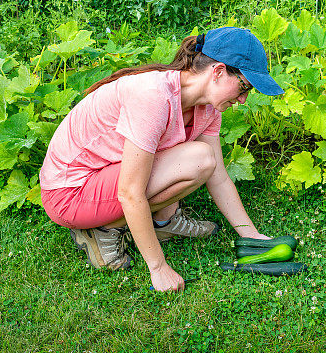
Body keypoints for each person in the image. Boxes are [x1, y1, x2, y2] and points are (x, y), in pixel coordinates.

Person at [39, 27, 284, 292]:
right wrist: (159, 268)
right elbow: (130, 192)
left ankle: (164, 223)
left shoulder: (208, 107)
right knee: (199, 158)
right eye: (244, 86)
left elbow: (218, 175)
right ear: (218, 71)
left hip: (104, 178)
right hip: (69, 194)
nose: (244, 99)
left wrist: (251, 235)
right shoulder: (154, 96)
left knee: (204, 161)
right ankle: (101, 230)